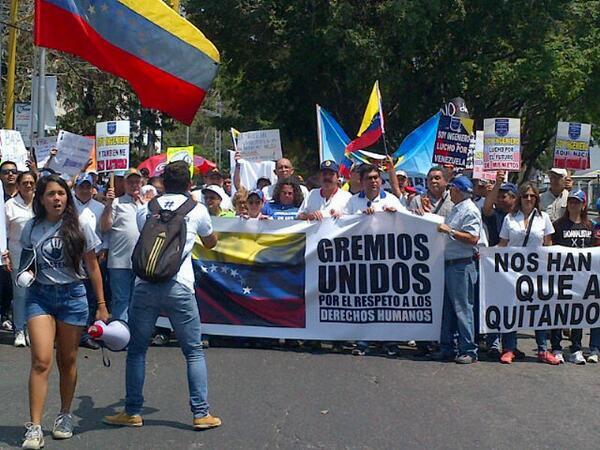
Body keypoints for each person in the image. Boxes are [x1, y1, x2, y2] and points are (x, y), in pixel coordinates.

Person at [103, 161, 221, 430]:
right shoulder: (197, 209)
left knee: (137, 351)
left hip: (145, 284)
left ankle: (132, 410)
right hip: (179, 284)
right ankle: (200, 413)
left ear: (163, 183)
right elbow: (211, 241)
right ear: (190, 184)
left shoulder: (147, 208)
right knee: (192, 351)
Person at [19, 175, 108, 449]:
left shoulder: (80, 223)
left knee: (67, 360)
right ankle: (34, 427)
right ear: (41, 199)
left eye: (61, 193)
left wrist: (102, 306)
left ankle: (64, 416)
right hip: (40, 297)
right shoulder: (31, 227)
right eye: (50, 194)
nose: (56, 198)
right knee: (41, 360)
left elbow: (93, 266)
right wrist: (26, 273)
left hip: (73, 296)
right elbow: (26, 262)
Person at [497, 182, 559, 365]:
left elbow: (548, 245)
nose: (529, 199)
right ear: (519, 198)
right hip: (513, 272)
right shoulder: (509, 218)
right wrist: (486, 255)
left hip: (536, 272)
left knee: (538, 310)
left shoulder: (544, 218)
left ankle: (542, 349)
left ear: (537, 198)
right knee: (511, 308)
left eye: (533, 196)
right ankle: (509, 348)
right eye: (525, 196)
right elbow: (503, 244)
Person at [432, 176, 482, 364]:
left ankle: (469, 349)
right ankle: (447, 348)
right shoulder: (457, 209)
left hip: (461, 264)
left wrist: (450, 232)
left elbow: (472, 238)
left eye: (452, 188)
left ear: (458, 190)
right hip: (450, 263)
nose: (449, 191)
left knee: (463, 308)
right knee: (448, 309)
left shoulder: (469, 210)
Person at [550, 189, 592, 364]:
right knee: (558, 312)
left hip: (582, 278)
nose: (573, 204)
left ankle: (576, 348)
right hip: (562, 276)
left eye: (577, 202)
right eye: (571, 201)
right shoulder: (558, 225)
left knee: (578, 313)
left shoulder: (589, 226)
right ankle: (557, 347)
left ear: (583, 205)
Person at [100, 169, 144, 322]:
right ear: (124, 184)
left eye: (136, 182)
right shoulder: (116, 203)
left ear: (142, 183)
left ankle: (136, 335)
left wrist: (143, 202)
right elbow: (104, 227)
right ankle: (121, 334)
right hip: (120, 262)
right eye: (130, 182)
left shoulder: (149, 204)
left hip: (143, 262)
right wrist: (108, 205)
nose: (134, 185)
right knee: (121, 300)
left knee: (140, 302)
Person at [3, 171, 37, 347]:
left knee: (37, 295)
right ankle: (19, 330)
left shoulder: (41, 204)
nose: (28, 185)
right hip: (18, 256)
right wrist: (5, 254)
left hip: (39, 258)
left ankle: (33, 331)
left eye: (31, 182)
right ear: (18, 185)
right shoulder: (9, 205)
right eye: (24, 183)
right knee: (20, 295)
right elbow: (4, 233)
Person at [73, 173, 106, 350]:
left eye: (88, 187)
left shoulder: (100, 207)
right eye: (81, 187)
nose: (85, 190)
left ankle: (87, 333)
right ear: (75, 188)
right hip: (73, 257)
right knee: (76, 295)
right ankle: (73, 332)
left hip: (94, 256)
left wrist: (103, 250)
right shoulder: (69, 205)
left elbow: (104, 232)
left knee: (92, 297)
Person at [0, 160, 18, 331]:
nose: (10, 174)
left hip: (17, 248)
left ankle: (12, 315)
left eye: (13, 171)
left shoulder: (24, 197)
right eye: (6, 172)